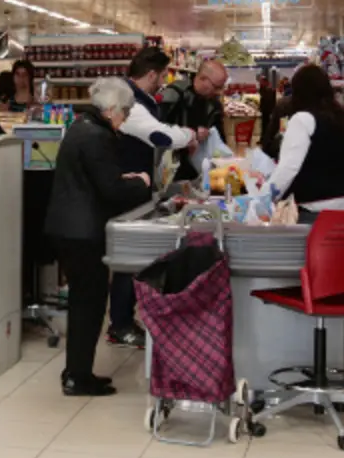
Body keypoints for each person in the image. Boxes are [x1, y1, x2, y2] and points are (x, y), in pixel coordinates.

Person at [44, 78, 152, 396]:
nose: (126, 117)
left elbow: (96, 178)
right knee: (89, 304)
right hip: (82, 232)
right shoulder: (97, 136)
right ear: (110, 110)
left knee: (84, 302)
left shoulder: (82, 127)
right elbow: (112, 189)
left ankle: (76, 370)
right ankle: (78, 377)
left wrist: (122, 179)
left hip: (68, 227)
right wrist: (142, 183)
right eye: (125, 111)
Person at [108, 47, 196, 348]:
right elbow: (160, 136)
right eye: (161, 77)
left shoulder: (132, 98)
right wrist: (188, 135)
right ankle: (119, 323)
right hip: (127, 188)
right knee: (130, 258)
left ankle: (124, 319)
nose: (162, 83)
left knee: (135, 258)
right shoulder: (129, 104)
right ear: (150, 75)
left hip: (137, 185)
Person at [252, 64, 344, 215]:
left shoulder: (302, 119)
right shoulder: (342, 118)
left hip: (314, 207)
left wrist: (261, 199)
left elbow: (288, 168)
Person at [159, 59, 228, 181]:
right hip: (172, 172)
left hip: (202, 173)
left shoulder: (215, 105)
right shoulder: (174, 94)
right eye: (216, 87)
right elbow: (158, 128)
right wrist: (190, 135)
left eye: (222, 87)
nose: (219, 92)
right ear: (202, 78)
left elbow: (220, 139)